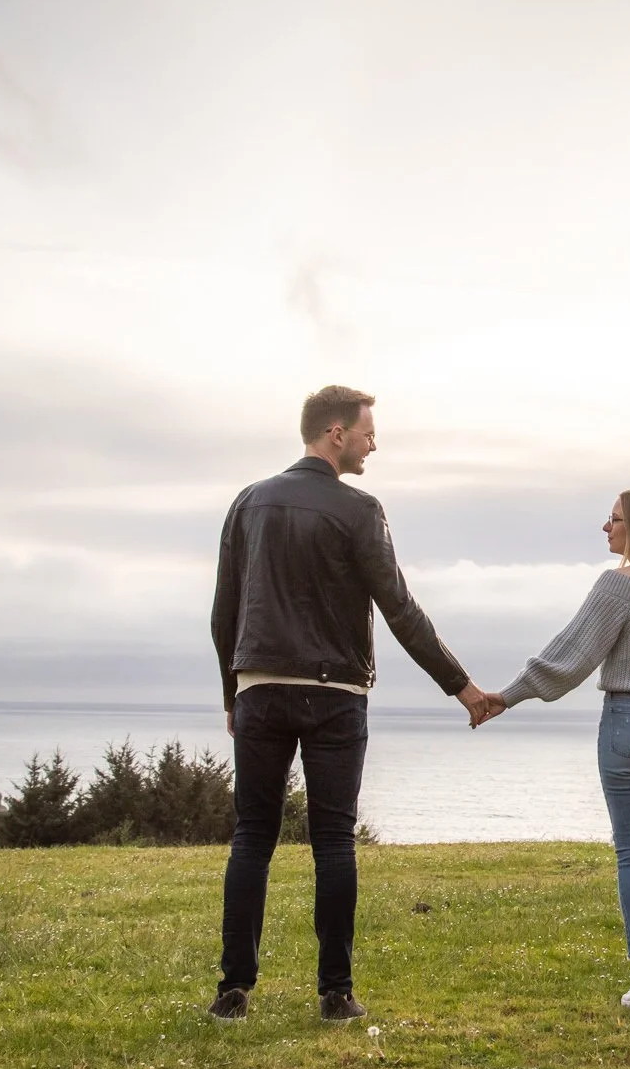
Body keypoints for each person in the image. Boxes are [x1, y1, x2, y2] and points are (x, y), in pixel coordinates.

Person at [208, 385, 494, 1023]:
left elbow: (223, 613)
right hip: (336, 695)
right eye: (368, 432)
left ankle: (234, 992)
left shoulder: (249, 503)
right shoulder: (360, 510)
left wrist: (234, 693)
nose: (374, 443)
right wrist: (463, 687)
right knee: (333, 840)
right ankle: (336, 993)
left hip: (260, 687)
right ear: (335, 433)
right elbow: (399, 608)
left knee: (252, 837)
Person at [480, 488, 630, 1009]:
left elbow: (569, 658)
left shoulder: (615, 587)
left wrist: (509, 696)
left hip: (629, 721)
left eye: (613, 520)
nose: (605, 528)